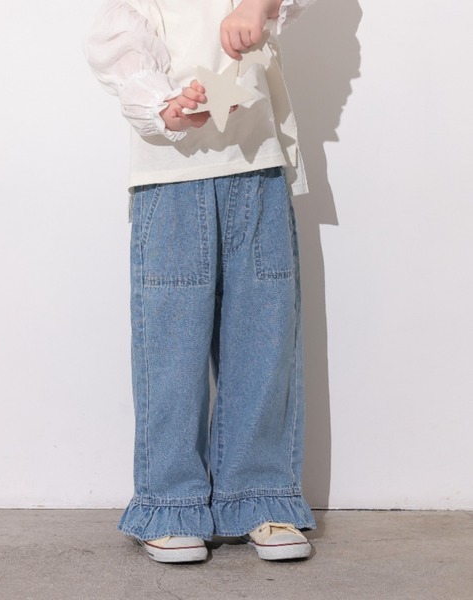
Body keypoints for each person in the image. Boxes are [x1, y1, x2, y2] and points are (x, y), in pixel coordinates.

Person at [84, 0, 317, 563]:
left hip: (255, 163)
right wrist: (162, 106)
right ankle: (170, 502)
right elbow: (119, 36)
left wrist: (257, 4)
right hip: (170, 175)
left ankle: (262, 495)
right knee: (171, 347)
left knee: (263, 340)